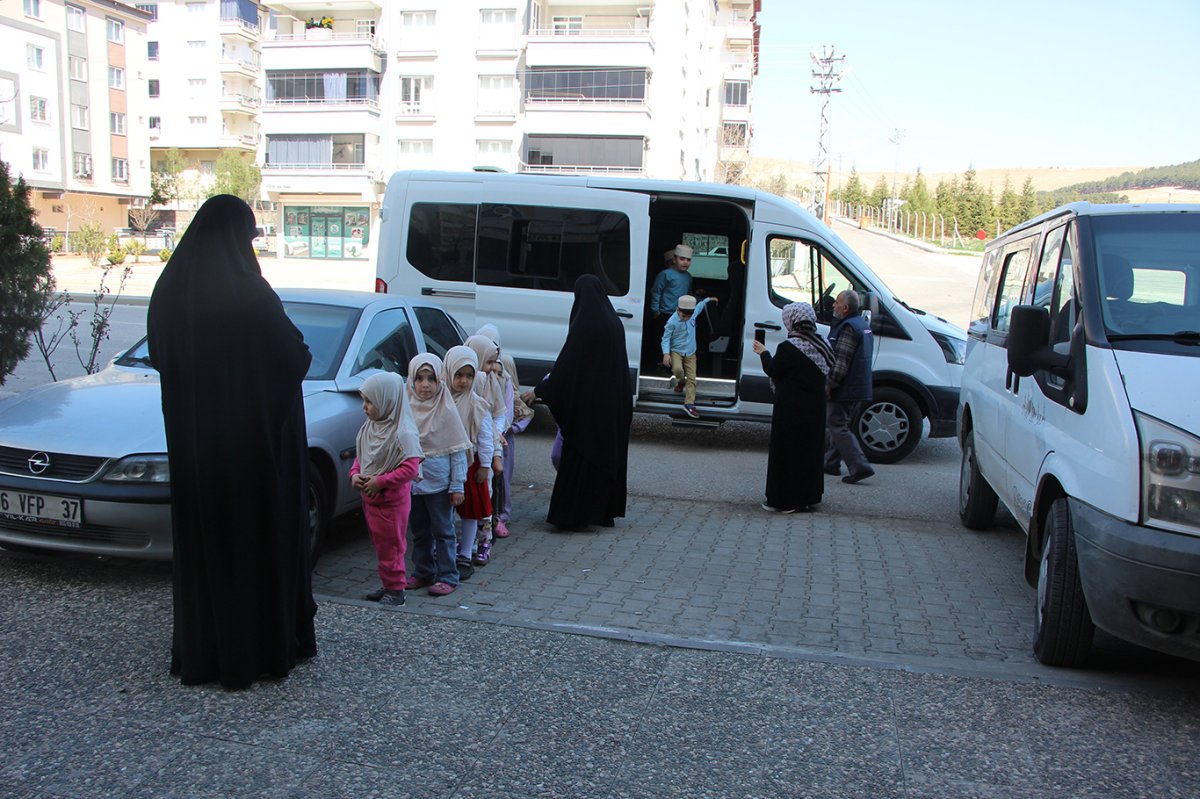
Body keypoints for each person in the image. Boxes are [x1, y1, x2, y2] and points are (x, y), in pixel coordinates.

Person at [147, 194, 317, 689]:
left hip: (196, 450)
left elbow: (161, 355)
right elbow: (294, 357)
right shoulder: (250, 295)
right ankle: (257, 652)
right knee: (254, 545)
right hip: (250, 453)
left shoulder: (169, 291)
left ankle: (204, 653)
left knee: (206, 548)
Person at [522, 275, 632, 529]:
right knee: (606, 457)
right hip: (613, 404)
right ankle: (602, 512)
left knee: (583, 456)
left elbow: (568, 368)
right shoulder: (613, 322)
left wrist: (539, 390)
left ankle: (573, 516)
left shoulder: (587, 324)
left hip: (589, 409)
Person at [351, 372, 423, 607]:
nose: (365, 407)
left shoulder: (403, 433)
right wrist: (355, 476)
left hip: (391, 502)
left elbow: (410, 469)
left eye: (370, 401)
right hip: (371, 499)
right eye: (365, 401)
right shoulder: (371, 427)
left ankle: (396, 590)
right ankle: (388, 584)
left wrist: (379, 482)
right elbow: (360, 457)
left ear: (387, 400)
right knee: (381, 545)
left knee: (392, 545)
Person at [752, 303, 834, 513]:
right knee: (809, 453)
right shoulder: (823, 344)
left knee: (787, 454)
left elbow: (773, 369)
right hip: (815, 410)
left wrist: (763, 352)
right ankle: (807, 497)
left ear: (792, 321)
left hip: (790, 410)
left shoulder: (789, 347)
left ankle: (784, 500)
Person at [406, 354, 472, 596]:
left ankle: (448, 575)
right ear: (411, 380)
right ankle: (423, 571)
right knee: (419, 531)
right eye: (419, 378)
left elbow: (457, 452)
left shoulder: (447, 411)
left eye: (431, 378)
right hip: (412, 485)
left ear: (440, 380)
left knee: (444, 531)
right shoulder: (406, 410)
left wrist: (457, 487)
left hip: (440, 486)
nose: (425, 385)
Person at [475, 324, 534, 541]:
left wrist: (500, 431)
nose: (491, 367)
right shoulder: (469, 378)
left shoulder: (503, 376)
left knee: (501, 480)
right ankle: (481, 521)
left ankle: (499, 517)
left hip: (502, 438)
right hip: (479, 439)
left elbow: (504, 409)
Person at [442, 345, 492, 579]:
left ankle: (465, 552)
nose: (464, 381)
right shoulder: (441, 400)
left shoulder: (476, 404)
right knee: (445, 510)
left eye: (469, 376)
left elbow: (485, 436)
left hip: (471, 463)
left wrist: (485, 465)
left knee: (470, 511)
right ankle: (444, 551)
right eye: (459, 375)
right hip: (444, 462)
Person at [824, 289, 876, 484]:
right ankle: (830, 463)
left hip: (846, 386)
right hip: (858, 385)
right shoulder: (862, 325)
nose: (833, 305)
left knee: (837, 425)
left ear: (845, 308)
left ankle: (859, 466)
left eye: (836, 302)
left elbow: (841, 362)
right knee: (840, 424)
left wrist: (830, 383)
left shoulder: (847, 328)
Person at [464, 333, 507, 563]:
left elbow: (496, 416)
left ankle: (484, 542)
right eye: (487, 361)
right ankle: (467, 544)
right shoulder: (468, 382)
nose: (490, 368)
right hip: (465, 453)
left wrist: (496, 450)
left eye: (493, 363)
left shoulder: (490, 382)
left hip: (484, 452)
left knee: (483, 498)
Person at [661, 293, 718, 419]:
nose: (687, 318)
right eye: (684, 316)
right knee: (677, 370)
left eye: (689, 316)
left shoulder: (693, 314)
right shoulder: (672, 321)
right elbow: (665, 338)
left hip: (691, 352)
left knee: (692, 378)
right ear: (678, 310)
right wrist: (666, 354)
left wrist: (709, 298)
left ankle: (689, 404)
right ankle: (681, 381)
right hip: (676, 351)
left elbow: (700, 305)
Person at [646, 244, 694, 367]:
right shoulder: (665, 274)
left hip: (681, 315)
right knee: (662, 340)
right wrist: (655, 310)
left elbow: (687, 294)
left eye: (688, 260)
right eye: (682, 259)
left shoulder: (688, 277)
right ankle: (658, 364)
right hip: (664, 314)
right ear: (674, 259)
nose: (685, 262)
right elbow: (656, 292)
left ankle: (673, 366)